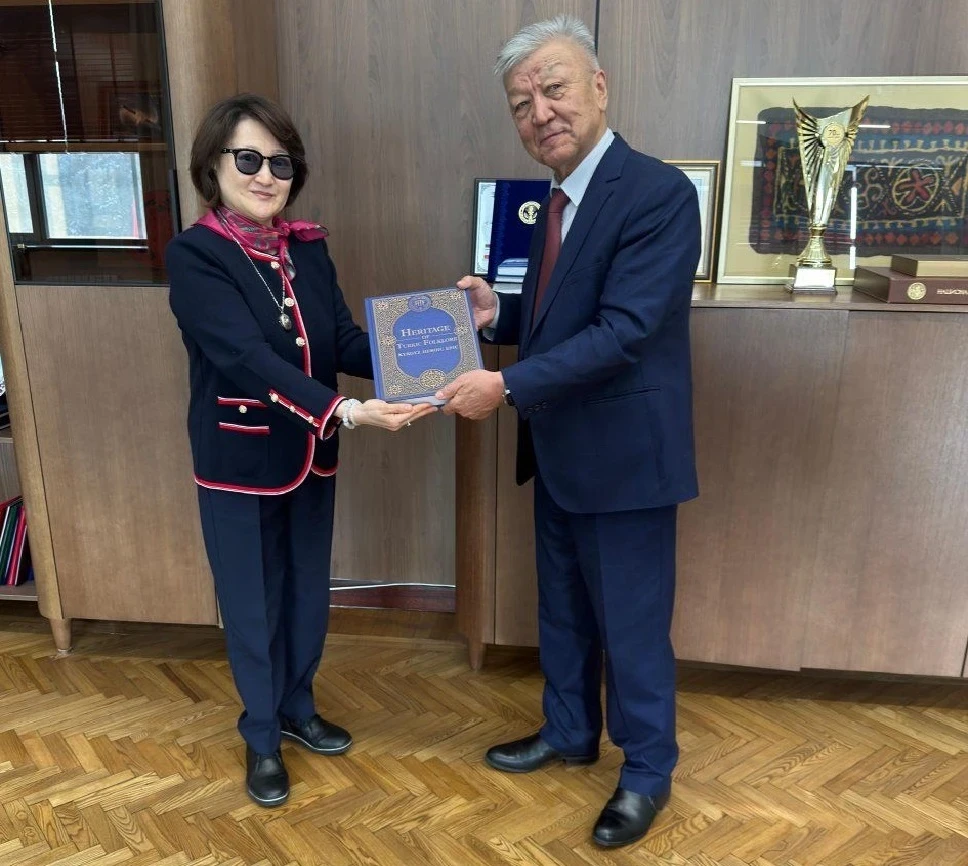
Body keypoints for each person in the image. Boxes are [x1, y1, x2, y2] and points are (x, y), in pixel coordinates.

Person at [438, 16, 701, 848]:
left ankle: (647, 772)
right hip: (558, 452)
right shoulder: (552, 201)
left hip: (625, 461)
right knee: (562, 609)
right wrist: (499, 314)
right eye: (522, 104)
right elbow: (565, 315)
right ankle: (569, 731)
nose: (539, 113)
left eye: (552, 89)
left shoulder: (657, 193)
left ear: (599, 87)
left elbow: (625, 331)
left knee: (631, 626)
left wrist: (506, 384)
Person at [166, 94, 435, 807]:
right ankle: (260, 736)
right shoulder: (196, 255)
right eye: (248, 159)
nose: (265, 175)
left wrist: (438, 346)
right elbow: (243, 357)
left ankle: (297, 707)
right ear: (213, 167)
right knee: (253, 603)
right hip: (240, 462)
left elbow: (341, 340)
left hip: (311, 456)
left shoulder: (307, 248)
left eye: (280, 163)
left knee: (307, 590)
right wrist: (341, 409)